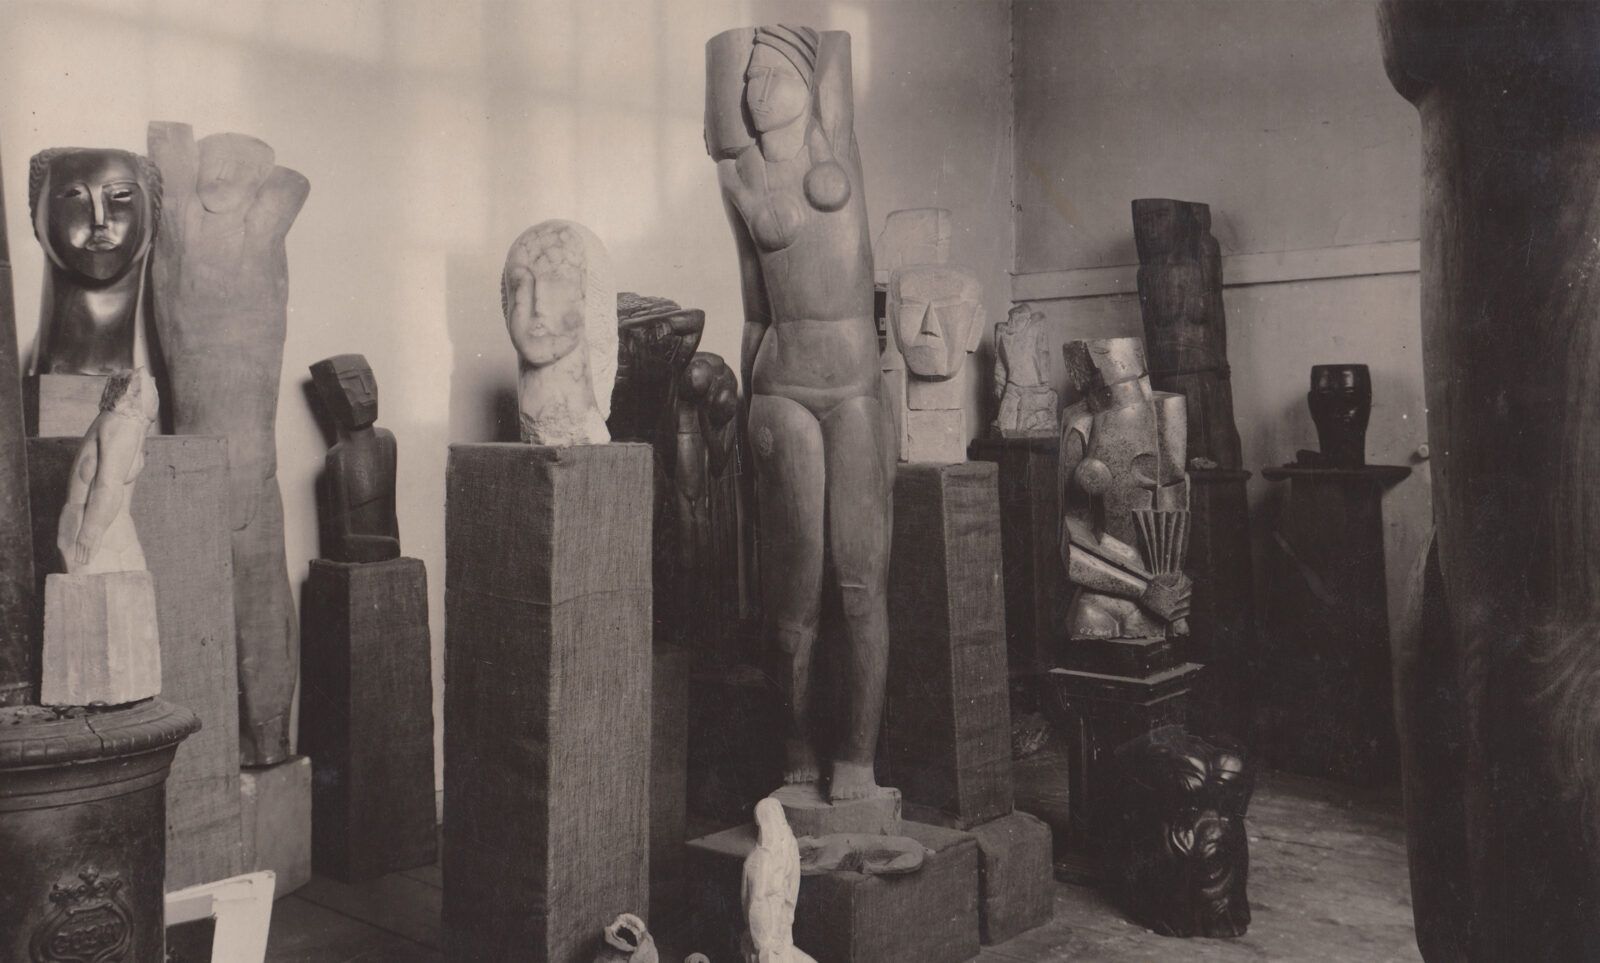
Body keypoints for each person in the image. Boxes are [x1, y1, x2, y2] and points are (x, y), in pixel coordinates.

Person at [707, 24, 893, 802]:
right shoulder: (741, 177)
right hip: (781, 385)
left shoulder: (835, 147)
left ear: (810, 87)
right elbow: (756, 309)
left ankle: (857, 756)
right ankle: (796, 750)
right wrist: (746, 412)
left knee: (860, 580)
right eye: (747, 79)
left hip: (854, 389)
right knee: (793, 587)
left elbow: (836, 49)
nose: (756, 89)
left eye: (774, 74)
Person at [57, 368, 159, 575]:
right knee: (95, 591)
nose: (154, 393)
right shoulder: (122, 423)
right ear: (131, 392)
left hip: (114, 523)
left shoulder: (130, 425)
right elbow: (107, 484)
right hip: (89, 523)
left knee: (132, 591)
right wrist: (90, 530)